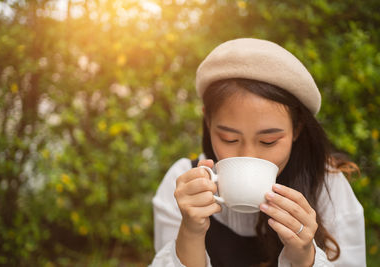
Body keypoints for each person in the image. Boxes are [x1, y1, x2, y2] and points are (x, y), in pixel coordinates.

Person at [149, 38, 365, 267]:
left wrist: (304, 255)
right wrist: (190, 232)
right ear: (208, 121)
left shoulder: (327, 186)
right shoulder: (183, 184)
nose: (248, 155)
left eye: (268, 141)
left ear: (297, 128)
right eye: (229, 138)